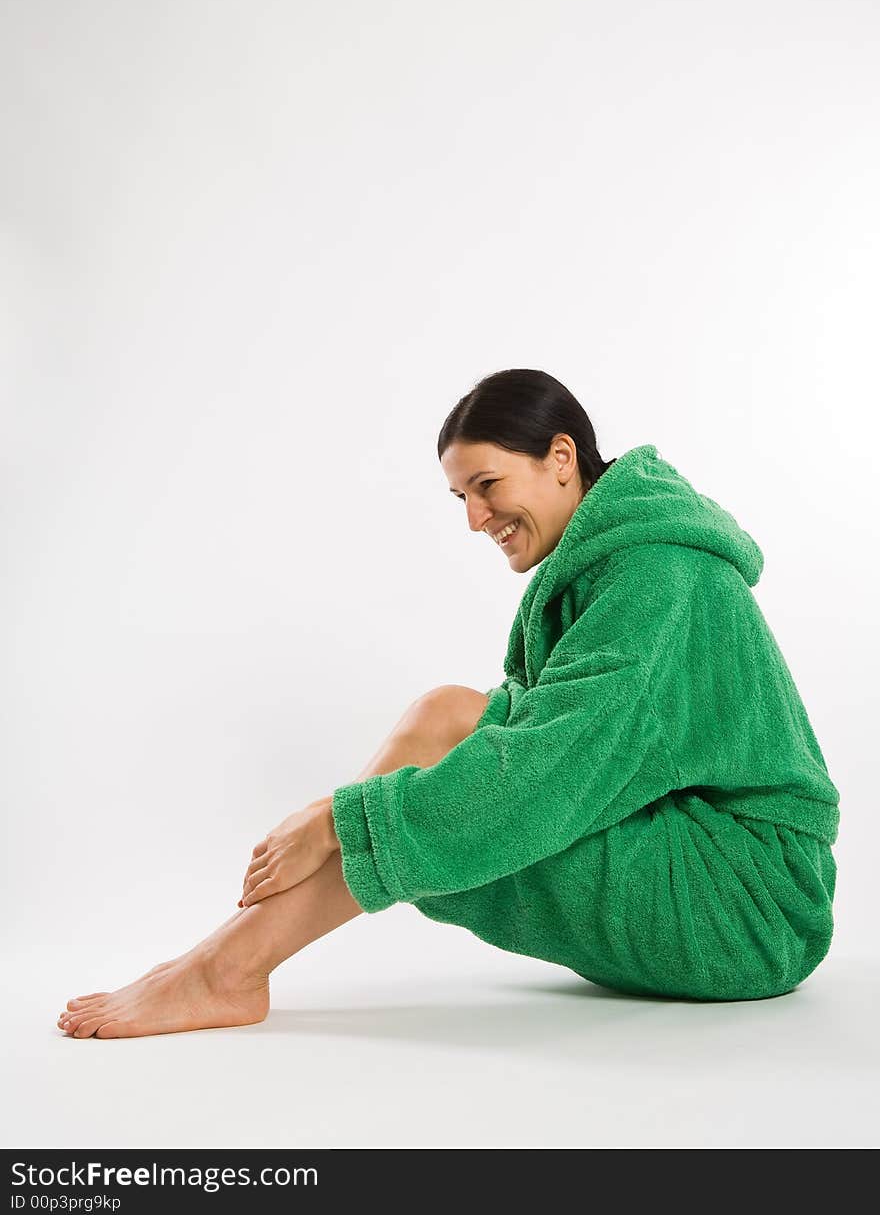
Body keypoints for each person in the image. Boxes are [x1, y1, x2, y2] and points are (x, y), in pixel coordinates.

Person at [57, 369, 840, 1038]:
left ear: (561, 458)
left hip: (750, 910)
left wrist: (334, 816)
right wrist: (355, 817)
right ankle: (225, 960)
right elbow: (550, 748)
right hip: (695, 862)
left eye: (487, 485)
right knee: (446, 719)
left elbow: (546, 773)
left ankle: (225, 966)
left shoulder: (659, 577)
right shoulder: (621, 564)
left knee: (456, 751)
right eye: (460, 496)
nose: (474, 518)